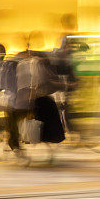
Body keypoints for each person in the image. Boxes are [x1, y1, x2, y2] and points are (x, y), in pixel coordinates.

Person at [15, 33, 67, 163]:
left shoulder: (27, 63)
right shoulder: (39, 62)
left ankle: (45, 152)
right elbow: (43, 81)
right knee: (44, 128)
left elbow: (29, 83)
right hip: (42, 99)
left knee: (40, 128)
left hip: (36, 99)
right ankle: (50, 152)